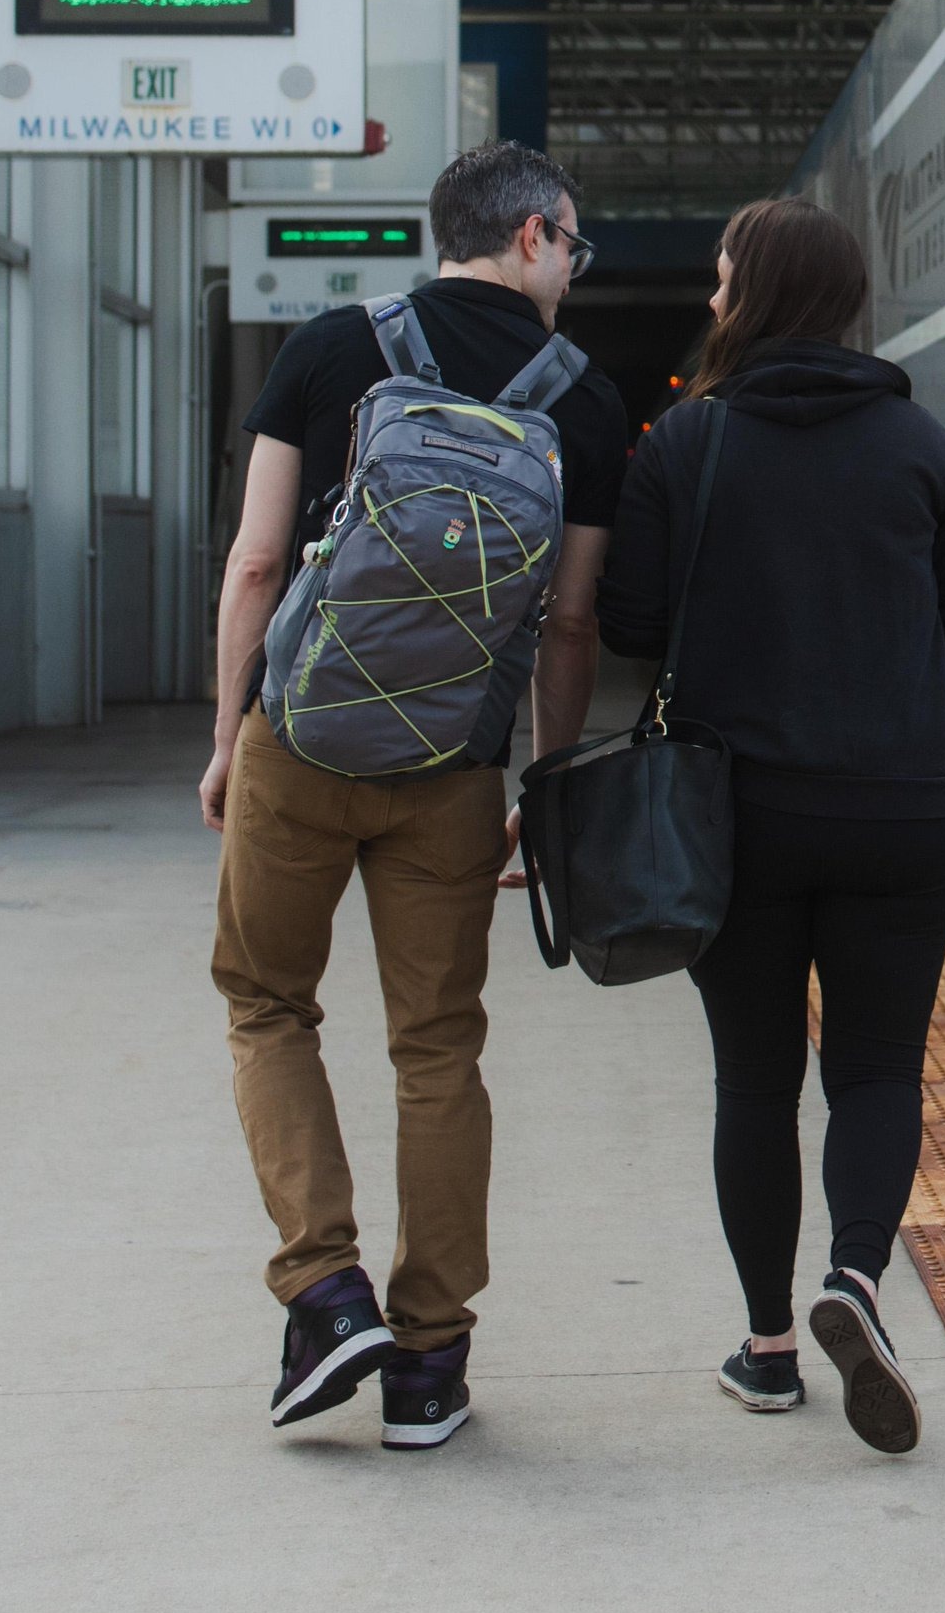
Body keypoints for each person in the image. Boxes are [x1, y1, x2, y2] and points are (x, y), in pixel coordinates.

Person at [203, 142, 629, 1452]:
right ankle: (431, 1361)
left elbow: (261, 557)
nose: (574, 265)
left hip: (306, 738)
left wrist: (230, 733)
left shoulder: (333, 346)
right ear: (536, 238)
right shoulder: (589, 402)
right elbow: (569, 627)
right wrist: (544, 786)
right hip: (451, 766)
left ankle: (325, 1290)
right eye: (574, 245)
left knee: (269, 1000)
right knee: (437, 1046)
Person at [598, 195, 945, 1453]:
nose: (710, 298)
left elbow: (631, 631)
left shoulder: (684, 442)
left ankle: (769, 1348)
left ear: (752, 295)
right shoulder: (923, 447)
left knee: (754, 1079)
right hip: (901, 811)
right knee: (877, 1068)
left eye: (721, 279)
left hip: (741, 818)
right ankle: (857, 1280)